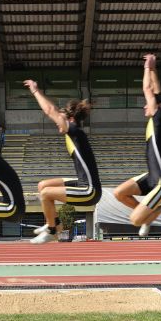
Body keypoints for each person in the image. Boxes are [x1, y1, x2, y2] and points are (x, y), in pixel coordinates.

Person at [113, 53, 161, 236]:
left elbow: (148, 88)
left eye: (148, 103)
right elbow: (156, 90)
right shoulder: (159, 116)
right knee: (119, 193)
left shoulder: (159, 117)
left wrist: (146, 67)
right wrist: (153, 69)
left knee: (135, 220)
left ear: (156, 106)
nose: (145, 106)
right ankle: (148, 215)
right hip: (151, 176)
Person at [23, 80, 102, 244]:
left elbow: (50, 110)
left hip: (89, 190)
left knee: (45, 194)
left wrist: (35, 91)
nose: (57, 123)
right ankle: (55, 224)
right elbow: (55, 111)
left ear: (70, 119)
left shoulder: (74, 132)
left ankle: (52, 231)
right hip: (83, 182)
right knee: (42, 185)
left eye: (62, 119)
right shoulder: (73, 133)